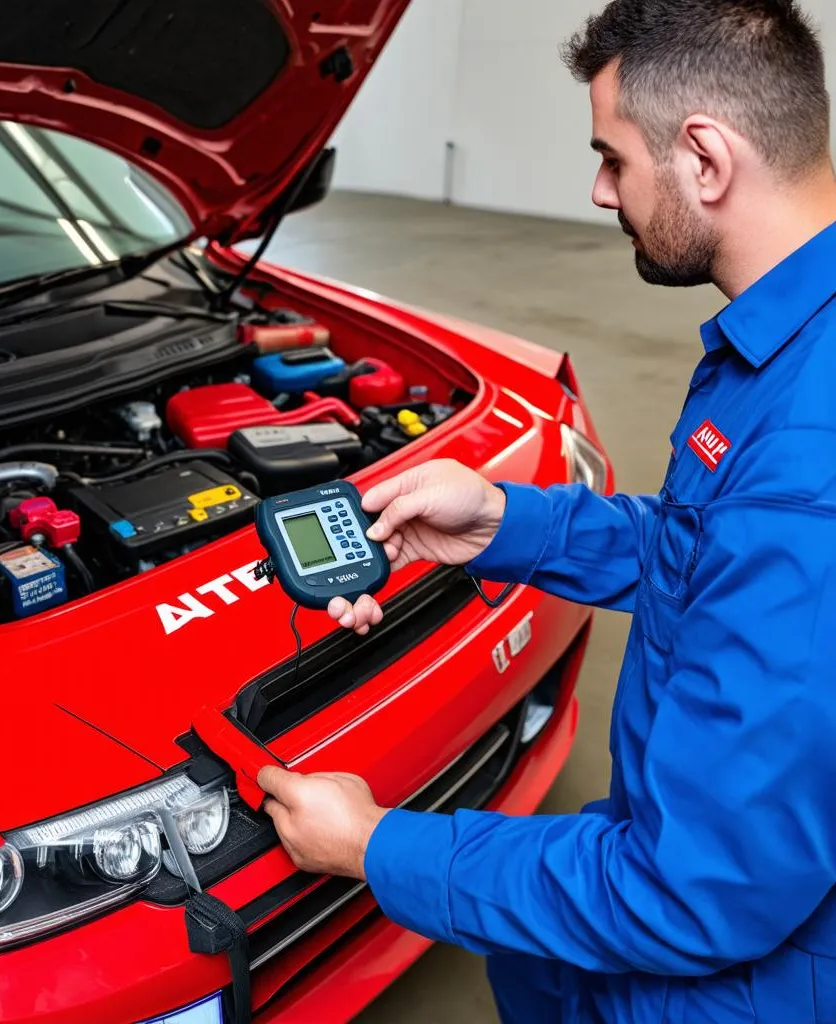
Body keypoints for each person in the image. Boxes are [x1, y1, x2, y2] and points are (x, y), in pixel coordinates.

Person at [257, 1, 836, 1021]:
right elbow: (712, 548)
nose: (598, 189)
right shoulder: (794, 345)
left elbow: (688, 896)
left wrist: (376, 845)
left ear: (704, 157)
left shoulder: (805, 455)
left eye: (611, 157)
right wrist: (505, 520)